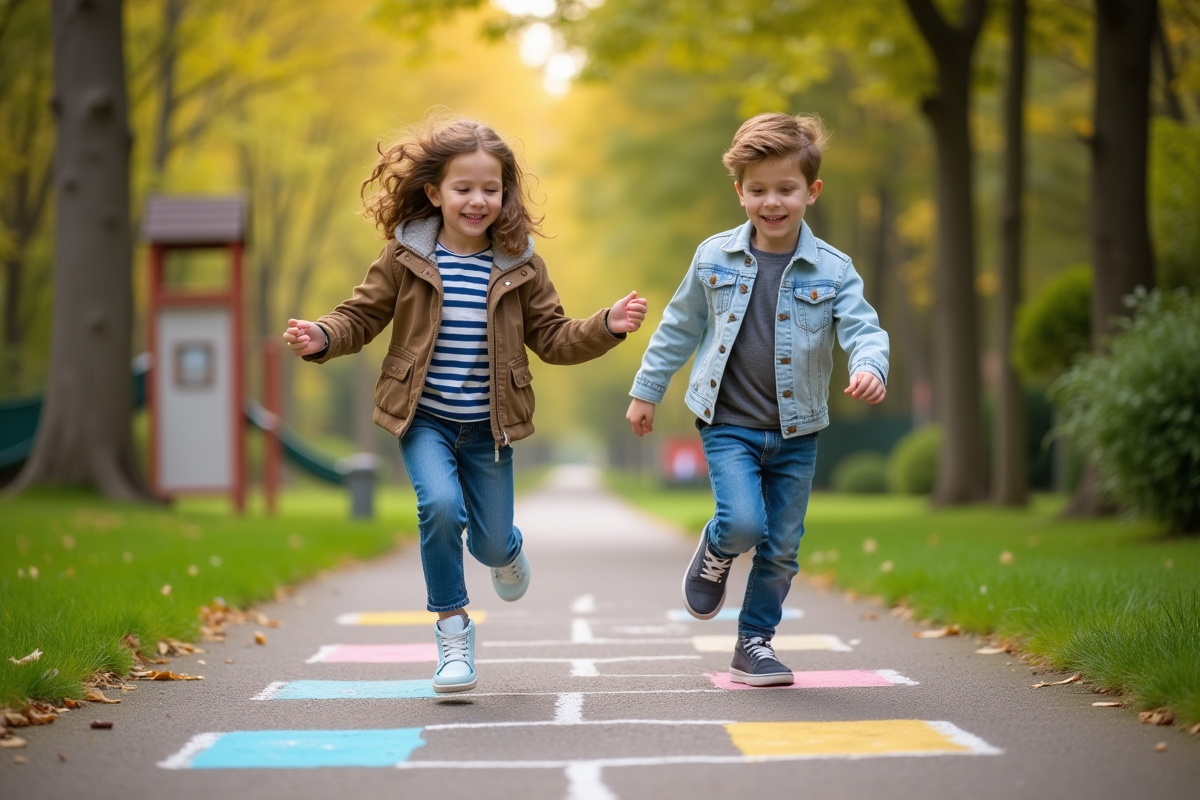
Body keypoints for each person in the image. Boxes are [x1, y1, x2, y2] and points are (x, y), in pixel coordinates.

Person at [285, 118, 648, 693]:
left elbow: (553, 337)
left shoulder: (519, 263)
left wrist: (606, 325)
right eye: (464, 188)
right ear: (435, 193)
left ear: (505, 194)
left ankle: (507, 551)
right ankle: (453, 632)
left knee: (490, 541)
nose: (477, 200)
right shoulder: (405, 255)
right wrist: (323, 336)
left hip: (489, 429)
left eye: (491, 188)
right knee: (440, 507)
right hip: (423, 419)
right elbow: (361, 316)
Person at [625, 112, 888, 686]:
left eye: (786, 189)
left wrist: (869, 366)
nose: (773, 203)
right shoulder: (713, 257)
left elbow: (863, 328)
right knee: (744, 523)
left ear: (811, 192)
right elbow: (678, 326)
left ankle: (754, 643)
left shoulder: (833, 268)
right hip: (728, 423)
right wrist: (647, 391)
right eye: (759, 190)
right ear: (739, 191)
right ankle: (718, 548)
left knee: (783, 546)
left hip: (797, 431)